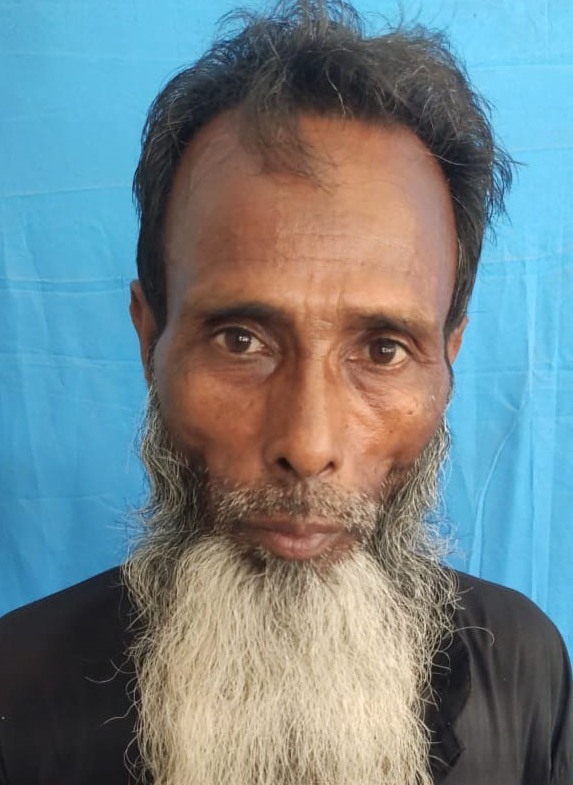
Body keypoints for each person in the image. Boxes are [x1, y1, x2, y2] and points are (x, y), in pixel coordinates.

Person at [0, 1, 571, 783]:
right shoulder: (16, 693)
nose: (306, 444)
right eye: (240, 340)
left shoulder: (523, 665)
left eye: (382, 350)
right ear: (148, 338)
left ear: (449, 357)